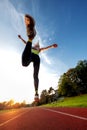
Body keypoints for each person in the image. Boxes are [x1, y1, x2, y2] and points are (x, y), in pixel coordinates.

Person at [18, 14, 58, 102]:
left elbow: (46, 48)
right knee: (24, 64)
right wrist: (21, 38)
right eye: (37, 45)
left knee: (35, 75)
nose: (37, 45)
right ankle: (30, 38)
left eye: (38, 45)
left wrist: (52, 46)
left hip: (36, 59)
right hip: (30, 56)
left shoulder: (39, 49)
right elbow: (25, 43)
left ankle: (36, 92)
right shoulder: (31, 47)